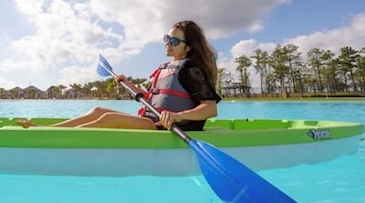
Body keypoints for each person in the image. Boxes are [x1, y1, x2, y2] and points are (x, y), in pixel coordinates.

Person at [18, 20, 221, 131]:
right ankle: (49, 129)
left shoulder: (191, 70)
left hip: (165, 126)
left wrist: (177, 116)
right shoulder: (168, 67)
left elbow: (210, 108)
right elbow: (152, 98)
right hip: (151, 119)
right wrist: (128, 84)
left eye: (174, 41)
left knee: (108, 118)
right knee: (98, 109)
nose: (167, 42)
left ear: (188, 48)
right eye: (167, 38)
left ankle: (56, 137)